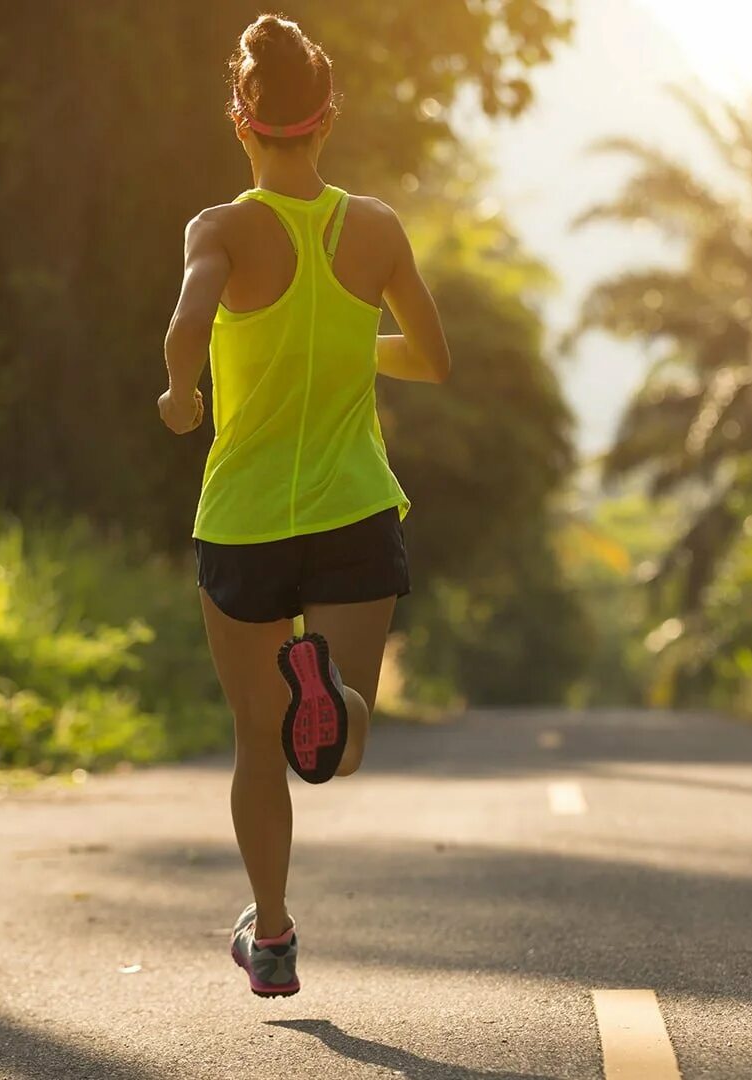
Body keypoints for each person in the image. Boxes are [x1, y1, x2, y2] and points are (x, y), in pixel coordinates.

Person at [158, 12, 450, 998]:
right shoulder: (374, 229)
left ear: (242, 119)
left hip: (243, 523)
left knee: (258, 740)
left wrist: (181, 393)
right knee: (336, 743)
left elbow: (188, 319)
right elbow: (432, 359)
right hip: (354, 514)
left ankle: (272, 936)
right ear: (329, 120)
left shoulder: (222, 227)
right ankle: (333, 689)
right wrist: (346, 343)